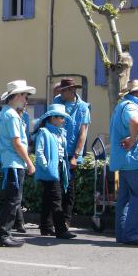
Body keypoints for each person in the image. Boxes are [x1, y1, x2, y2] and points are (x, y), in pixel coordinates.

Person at [109, 79, 138, 246]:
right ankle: (131, 234)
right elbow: (135, 121)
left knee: (126, 198)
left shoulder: (121, 106)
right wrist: (134, 139)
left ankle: (123, 233)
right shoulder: (132, 106)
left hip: (126, 161)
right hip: (136, 160)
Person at [0, 80, 36, 247]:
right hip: (14, 163)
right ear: (17, 96)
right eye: (25, 96)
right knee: (13, 201)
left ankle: (5, 233)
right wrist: (29, 163)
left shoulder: (7, 113)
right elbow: (17, 142)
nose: (26, 100)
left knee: (12, 200)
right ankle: (2, 234)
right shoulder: (11, 115)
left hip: (11, 163)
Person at [33, 104, 76, 239]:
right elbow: (39, 151)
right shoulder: (44, 132)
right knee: (57, 199)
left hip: (59, 167)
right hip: (51, 169)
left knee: (48, 198)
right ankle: (61, 230)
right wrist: (46, 166)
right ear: (52, 118)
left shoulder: (59, 132)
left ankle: (46, 227)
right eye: (60, 117)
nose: (63, 120)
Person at [52, 77, 91, 228]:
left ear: (71, 91)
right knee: (54, 188)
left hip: (70, 154)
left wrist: (75, 156)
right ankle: (54, 221)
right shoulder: (57, 101)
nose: (60, 93)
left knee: (69, 188)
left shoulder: (83, 108)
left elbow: (83, 133)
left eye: (63, 91)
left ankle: (66, 220)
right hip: (56, 151)